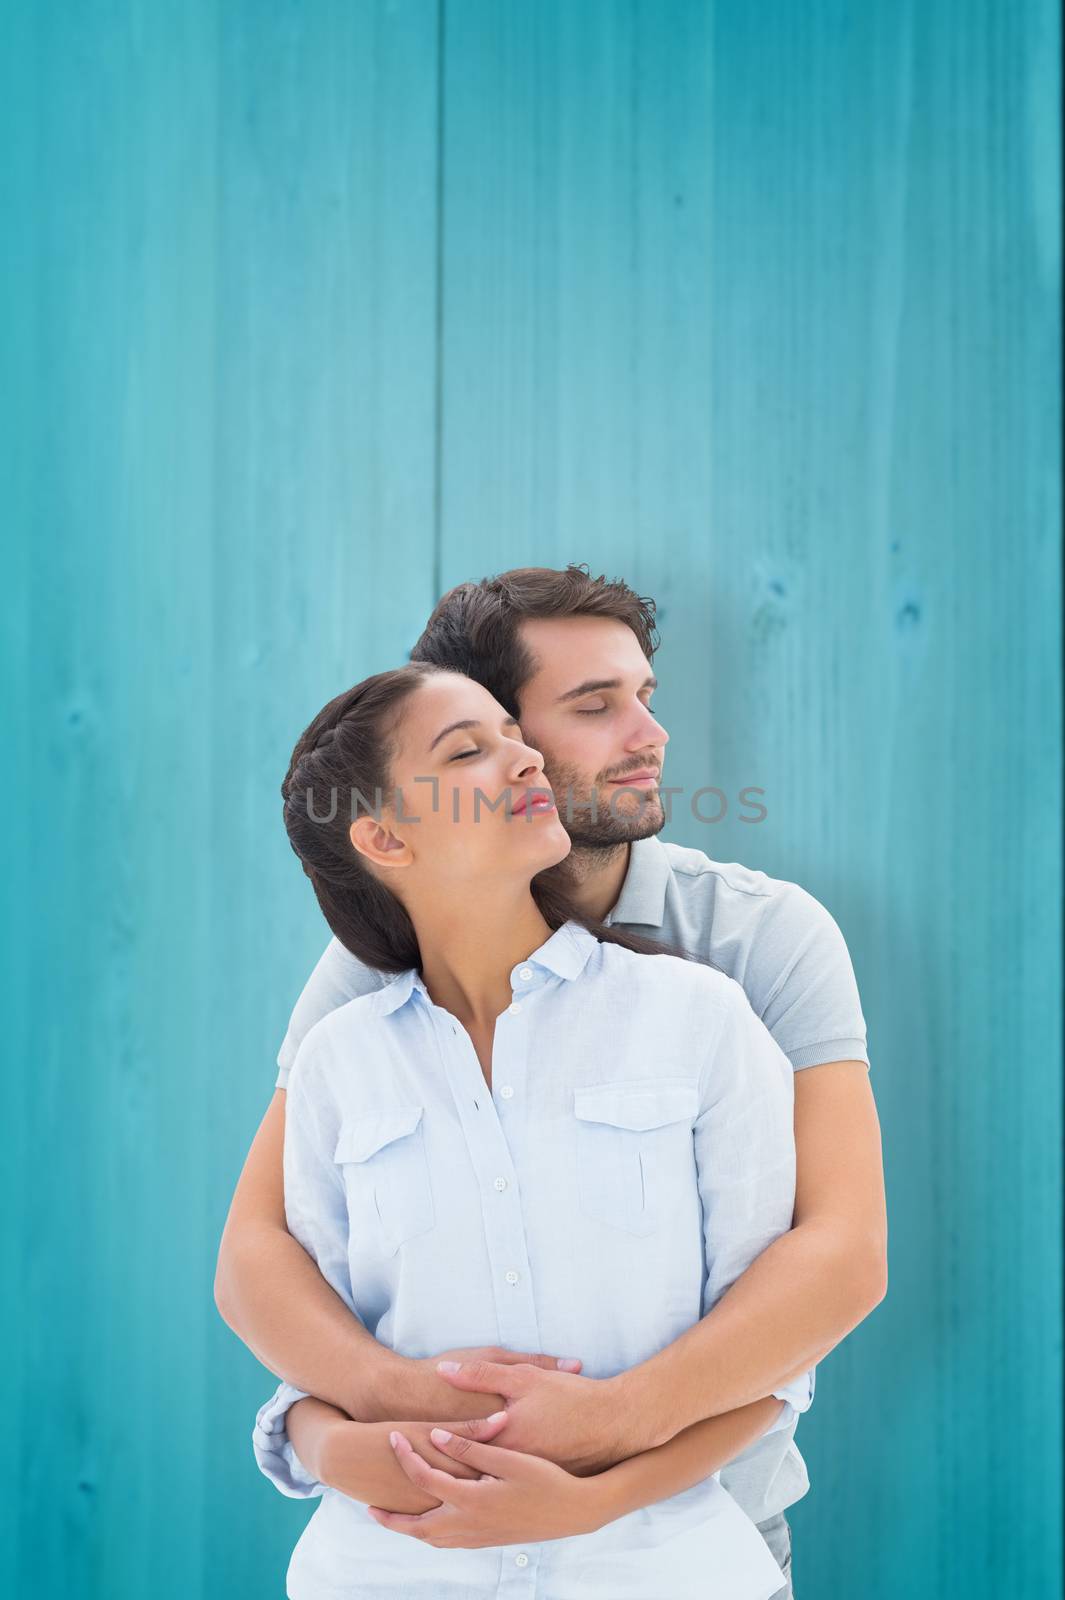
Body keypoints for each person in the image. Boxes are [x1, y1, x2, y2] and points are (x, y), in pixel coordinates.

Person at [215, 565, 887, 1596]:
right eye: (594, 705)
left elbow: (838, 1257)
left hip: (698, 1534)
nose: (650, 735)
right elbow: (262, 1248)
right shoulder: (365, 990)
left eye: (645, 697)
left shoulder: (753, 947)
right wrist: (378, 1407)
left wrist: (608, 1444)